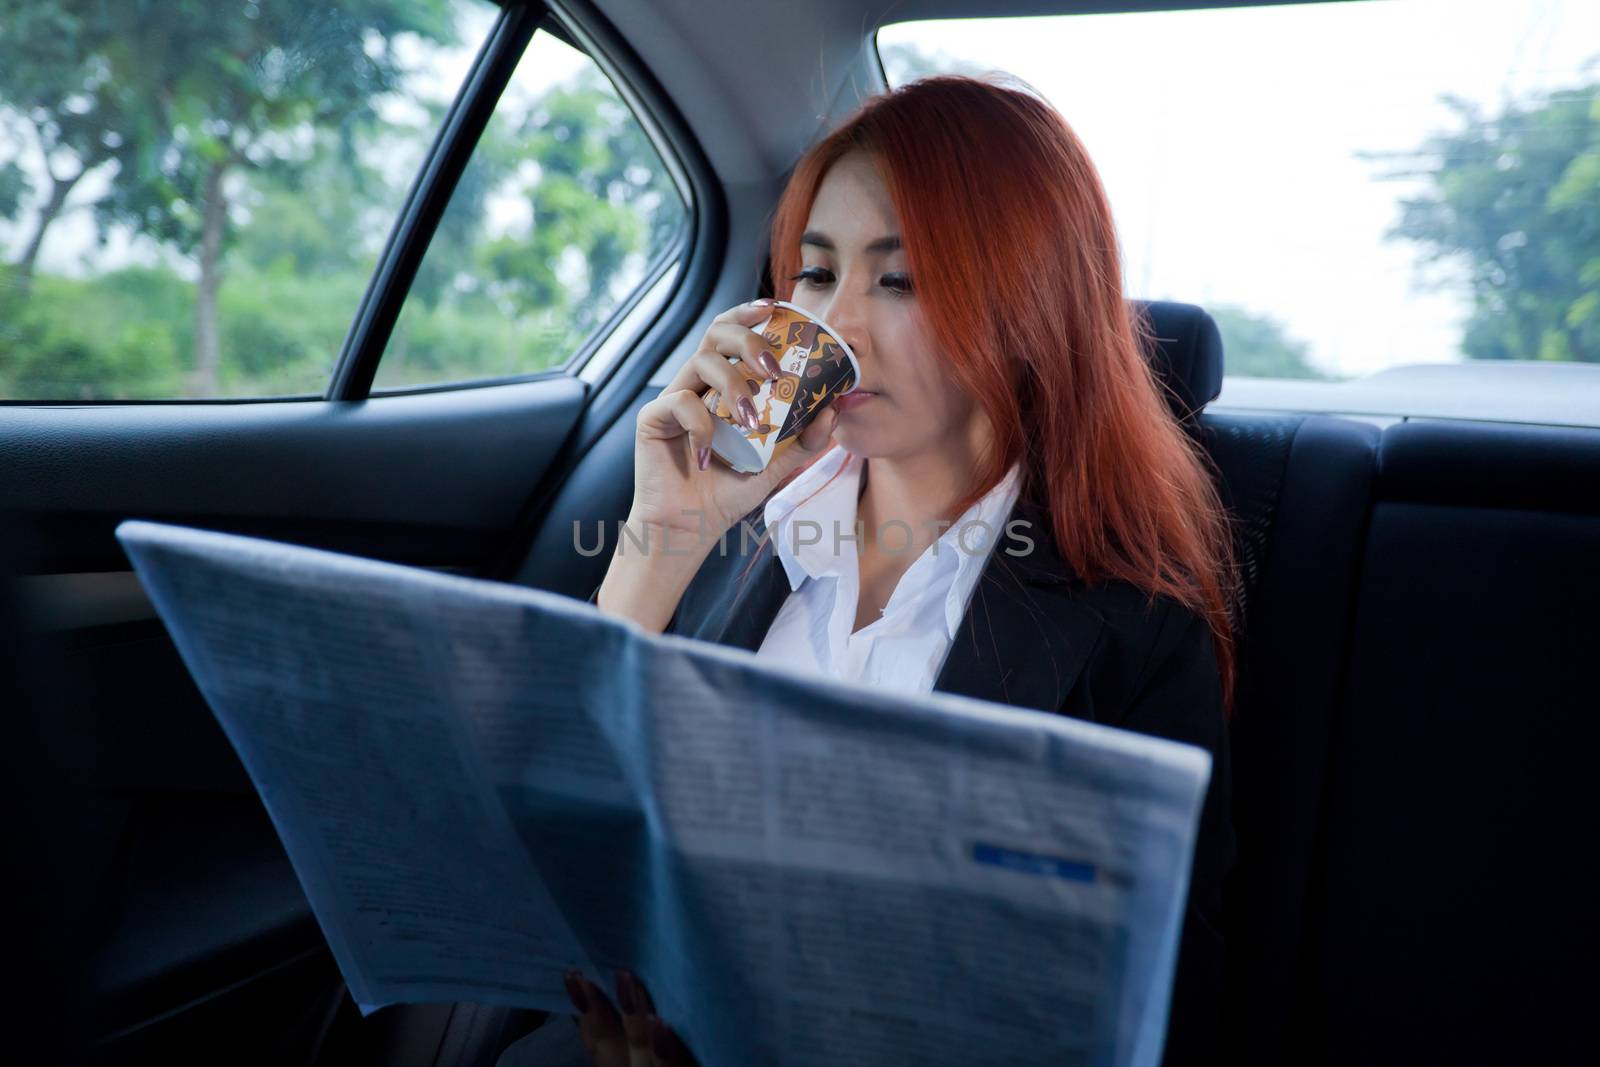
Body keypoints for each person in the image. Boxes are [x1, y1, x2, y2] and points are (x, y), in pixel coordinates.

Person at [568, 74, 1237, 1067]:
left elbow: (1123, 1017)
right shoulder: (733, 533)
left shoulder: (1137, 634)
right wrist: (660, 534)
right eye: (813, 273)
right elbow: (564, 831)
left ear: (1029, 300)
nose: (839, 327)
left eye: (900, 279)